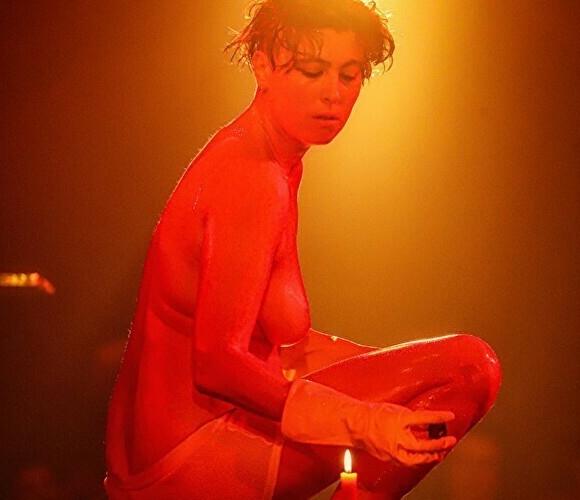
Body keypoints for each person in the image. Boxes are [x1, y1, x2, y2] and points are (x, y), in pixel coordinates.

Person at [104, 1, 502, 498]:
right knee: (471, 366)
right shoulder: (251, 174)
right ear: (262, 66)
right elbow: (216, 362)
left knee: (440, 379)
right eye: (313, 71)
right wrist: (363, 420)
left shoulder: (276, 159)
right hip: (189, 462)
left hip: (187, 450)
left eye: (349, 75)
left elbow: (285, 348)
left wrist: (399, 390)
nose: (333, 94)